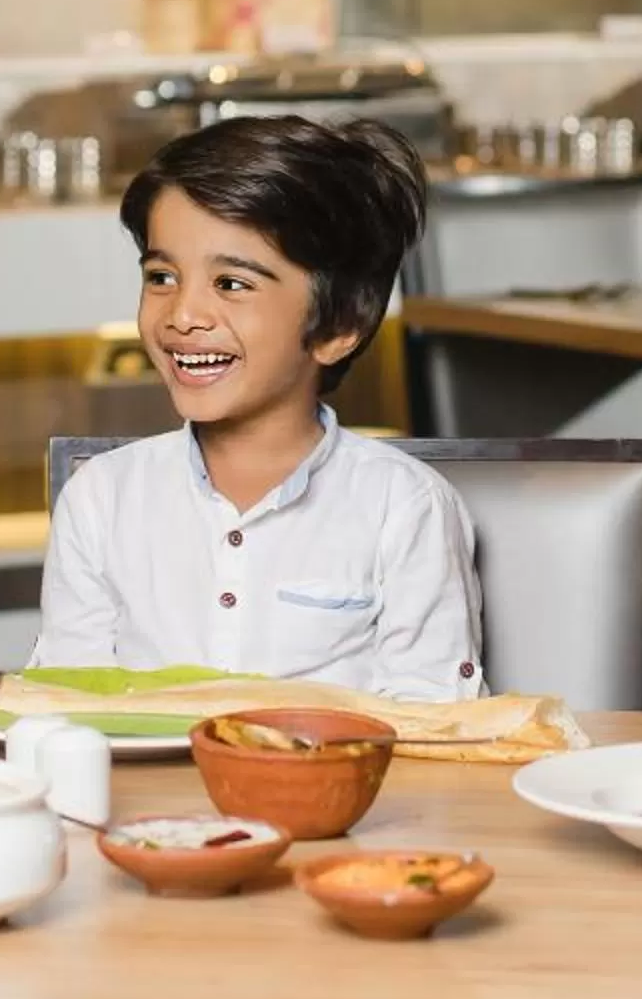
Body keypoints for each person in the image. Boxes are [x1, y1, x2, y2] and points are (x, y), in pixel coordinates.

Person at [32, 116, 486, 701]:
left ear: (340, 326)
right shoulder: (102, 499)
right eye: (162, 276)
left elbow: (438, 726)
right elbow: (62, 709)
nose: (183, 315)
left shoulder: (404, 508)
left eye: (232, 284)